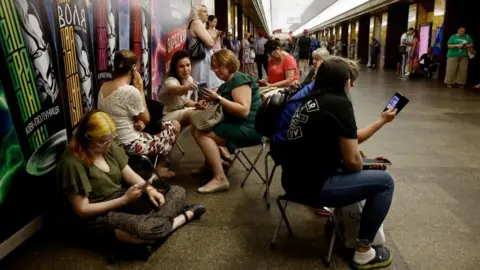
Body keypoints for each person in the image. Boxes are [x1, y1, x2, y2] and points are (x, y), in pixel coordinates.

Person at [282, 58, 394, 269]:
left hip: (292, 181)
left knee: (370, 172)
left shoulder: (310, 102)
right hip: (314, 187)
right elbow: (352, 162)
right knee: (385, 182)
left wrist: (381, 122)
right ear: (342, 81)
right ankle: (363, 252)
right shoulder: (339, 103)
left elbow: (345, 140)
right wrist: (362, 167)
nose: (352, 85)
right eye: (350, 80)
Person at [57, 110, 205, 245]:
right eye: (103, 141)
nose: (108, 145)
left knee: (178, 192)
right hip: (100, 213)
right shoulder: (72, 163)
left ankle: (152, 232)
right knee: (147, 229)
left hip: (122, 198)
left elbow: (128, 174)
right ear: (86, 138)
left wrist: (150, 190)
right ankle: (185, 216)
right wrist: (124, 199)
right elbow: (82, 210)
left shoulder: (108, 146)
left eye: (111, 139)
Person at [98, 50, 179, 178]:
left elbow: (121, 115)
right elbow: (146, 119)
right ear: (134, 68)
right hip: (131, 144)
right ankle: (160, 168)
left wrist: (137, 122)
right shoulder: (130, 91)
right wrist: (140, 90)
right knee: (175, 126)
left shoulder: (103, 87)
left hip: (112, 143)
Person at [192, 50, 262, 194]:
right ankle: (210, 164)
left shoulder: (239, 80)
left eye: (220, 66)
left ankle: (220, 178)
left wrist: (218, 98)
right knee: (197, 129)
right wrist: (205, 103)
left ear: (229, 64)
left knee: (201, 133)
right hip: (239, 124)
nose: (216, 70)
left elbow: (244, 110)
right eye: (214, 67)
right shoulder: (227, 83)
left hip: (249, 129)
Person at [158, 51, 207, 126]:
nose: (186, 69)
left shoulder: (189, 79)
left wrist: (196, 104)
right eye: (181, 66)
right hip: (164, 116)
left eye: (188, 65)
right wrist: (187, 87)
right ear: (175, 69)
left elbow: (185, 101)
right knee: (193, 113)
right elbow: (176, 90)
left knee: (201, 110)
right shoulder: (170, 81)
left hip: (178, 112)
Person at [188, 5, 222, 89]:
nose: (207, 14)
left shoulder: (199, 24)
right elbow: (210, 43)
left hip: (202, 58)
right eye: (204, 11)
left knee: (205, 84)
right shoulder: (196, 22)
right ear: (197, 13)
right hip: (201, 59)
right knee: (203, 84)